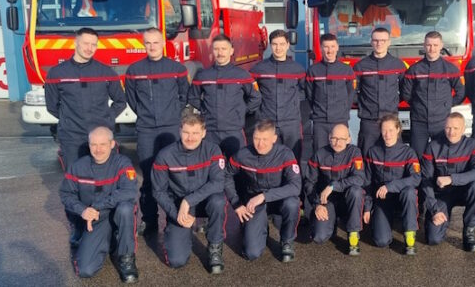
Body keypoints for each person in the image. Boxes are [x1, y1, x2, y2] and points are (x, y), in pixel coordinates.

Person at [125, 27, 189, 236]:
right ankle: (150, 220)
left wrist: (172, 114)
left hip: (171, 128)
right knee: (149, 176)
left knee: (176, 175)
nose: (152, 46)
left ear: (163, 44)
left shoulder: (177, 68)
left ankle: (176, 217)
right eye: (148, 43)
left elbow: (183, 95)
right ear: (144, 45)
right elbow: (133, 101)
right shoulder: (134, 71)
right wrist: (146, 115)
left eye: (156, 42)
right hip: (146, 130)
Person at [59, 127, 138, 283]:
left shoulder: (123, 163)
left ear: (112, 144)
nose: (98, 149)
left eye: (103, 144)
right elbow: (66, 194)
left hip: (116, 214)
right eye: (93, 144)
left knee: (126, 208)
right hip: (95, 219)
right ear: (89, 145)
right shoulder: (78, 166)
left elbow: (129, 191)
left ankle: (127, 259)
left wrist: (97, 205)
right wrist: (82, 211)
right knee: (85, 270)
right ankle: (111, 240)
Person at [151, 110, 227, 274]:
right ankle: (177, 234)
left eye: (195, 133)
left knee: (218, 201)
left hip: (204, 201)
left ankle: (214, 247)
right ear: (180, 131)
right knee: (176, 261)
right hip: (178, 207)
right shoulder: (165, 155)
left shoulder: (213, 150)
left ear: (204, 133)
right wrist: (175, 213)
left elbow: (218, 182)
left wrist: (189, 201)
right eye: (186, 132)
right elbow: (158, 191)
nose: (190, 137)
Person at [45, 27, 127, 170]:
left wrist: (107, 119)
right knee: (75, 178)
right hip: (72, 137)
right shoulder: (57, 73)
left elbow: (120, 101)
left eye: (93, 44)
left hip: (100, 136)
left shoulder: (106, 72)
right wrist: (68, 119)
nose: (89, 48)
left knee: (105, 177)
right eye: (85, 43)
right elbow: (52, 105)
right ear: (76, 43)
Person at [225, 119, 301, 262]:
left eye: (265, 139)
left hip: (278, 199)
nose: (260, 144)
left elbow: (296, 186)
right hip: (254, 202)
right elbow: (226, 176)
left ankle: (287, 240)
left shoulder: (285, 154)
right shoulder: (242, 155)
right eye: (256, 138)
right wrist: (236, 203)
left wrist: (264, 196)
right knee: (251, 253)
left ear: (274, 138)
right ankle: (258, 226)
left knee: (292, 203)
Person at [421, 113, 475, 252]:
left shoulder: (472, 145)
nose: (451, 132)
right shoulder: (433, 146)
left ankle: (469, 231)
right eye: (448, 128)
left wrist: (452, 178)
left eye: (456, 128)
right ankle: (440, 220)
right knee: (433, 239)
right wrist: (434, 209)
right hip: (443, 195)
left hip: (465, 191)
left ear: (463, 129)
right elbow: (425, 180)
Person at [188, 34, 262, 158]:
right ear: (212, 50)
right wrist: (205, 110)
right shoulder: (203, 75)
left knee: (238, 167)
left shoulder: (242, 75)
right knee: (210, 167)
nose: (220, 53)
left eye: (224, 49)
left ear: (231, 51)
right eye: (216, 49)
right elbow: (192, 97)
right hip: (210, 131)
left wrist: (242, 110)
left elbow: (256, 97)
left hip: (234, 131)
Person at [363, 114, 421, 255]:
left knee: (409, 192)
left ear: (398, 130)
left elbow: (416, 178)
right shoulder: (373, 152)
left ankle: (409, 236)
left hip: (402, 198)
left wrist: (391, 186)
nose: (387, 135)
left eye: (390, 130)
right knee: (381, 241)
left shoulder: (408, 153)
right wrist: (367, 207)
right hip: (383, 199)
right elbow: (367, 182)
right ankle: (383, 223)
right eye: (384, 131)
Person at [401, 31, 465, 156]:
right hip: (419, 121)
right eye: (429, 45)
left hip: (442, 121)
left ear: (441, 46)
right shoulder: (414, 69)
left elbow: (460, 92)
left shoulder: (450, 69)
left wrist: (446, 105)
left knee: (440, 155)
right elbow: (406, 93)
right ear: (424, 46)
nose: (432, 49)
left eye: (435, 45)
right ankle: (418, 176)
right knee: (417, 155)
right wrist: (418, 105)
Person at [305, 124, 365, 255]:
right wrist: (317, 205)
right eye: (334, 138)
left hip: (347, 200)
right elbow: (309, 184)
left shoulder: (354, 153)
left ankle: (353, 234)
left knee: (356, 191)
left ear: (349, 139)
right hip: (327, 202)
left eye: (342, 139)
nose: (337, 143)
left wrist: (333, 186)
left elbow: (359, 179)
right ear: (329, 137)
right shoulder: (319, 155)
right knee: (319, 237)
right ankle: (330, 224)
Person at [250, 30, 306, 161]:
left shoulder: (297, 69)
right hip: (267, 121)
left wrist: (293, 101)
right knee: (268, 159)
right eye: (275, 44)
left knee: (293, 159)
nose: (278, 48)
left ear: (287, 45)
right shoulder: (259, 69)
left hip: (291, 122)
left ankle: (294, 182)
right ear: (270, 45)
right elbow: (250, 91)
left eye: (282, 44)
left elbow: (306, 90)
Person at [353, 27, 407, 154]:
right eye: (376, 40)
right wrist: (363, 104)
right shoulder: (360, 66)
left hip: (391, 118)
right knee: (367, 154)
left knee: (394, 154)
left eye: (383, 40)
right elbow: (352, 92)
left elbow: (406, 90)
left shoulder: (398, 65)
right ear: (371, 42)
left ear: (389, 42)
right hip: (369, 121)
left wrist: (394, 102)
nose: (379, 44)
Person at [306, 33, 355, 153]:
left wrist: (343, 110)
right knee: (320, 152)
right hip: (320, 121)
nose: (330, 50)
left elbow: (351, 94)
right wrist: (317, 111)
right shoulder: (313, 71)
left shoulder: (346, 70)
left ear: (337, 47)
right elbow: (310, 95)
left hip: (340, 119)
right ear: (321, 48)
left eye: (332, 46)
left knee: (341, 153)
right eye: (326, 47)